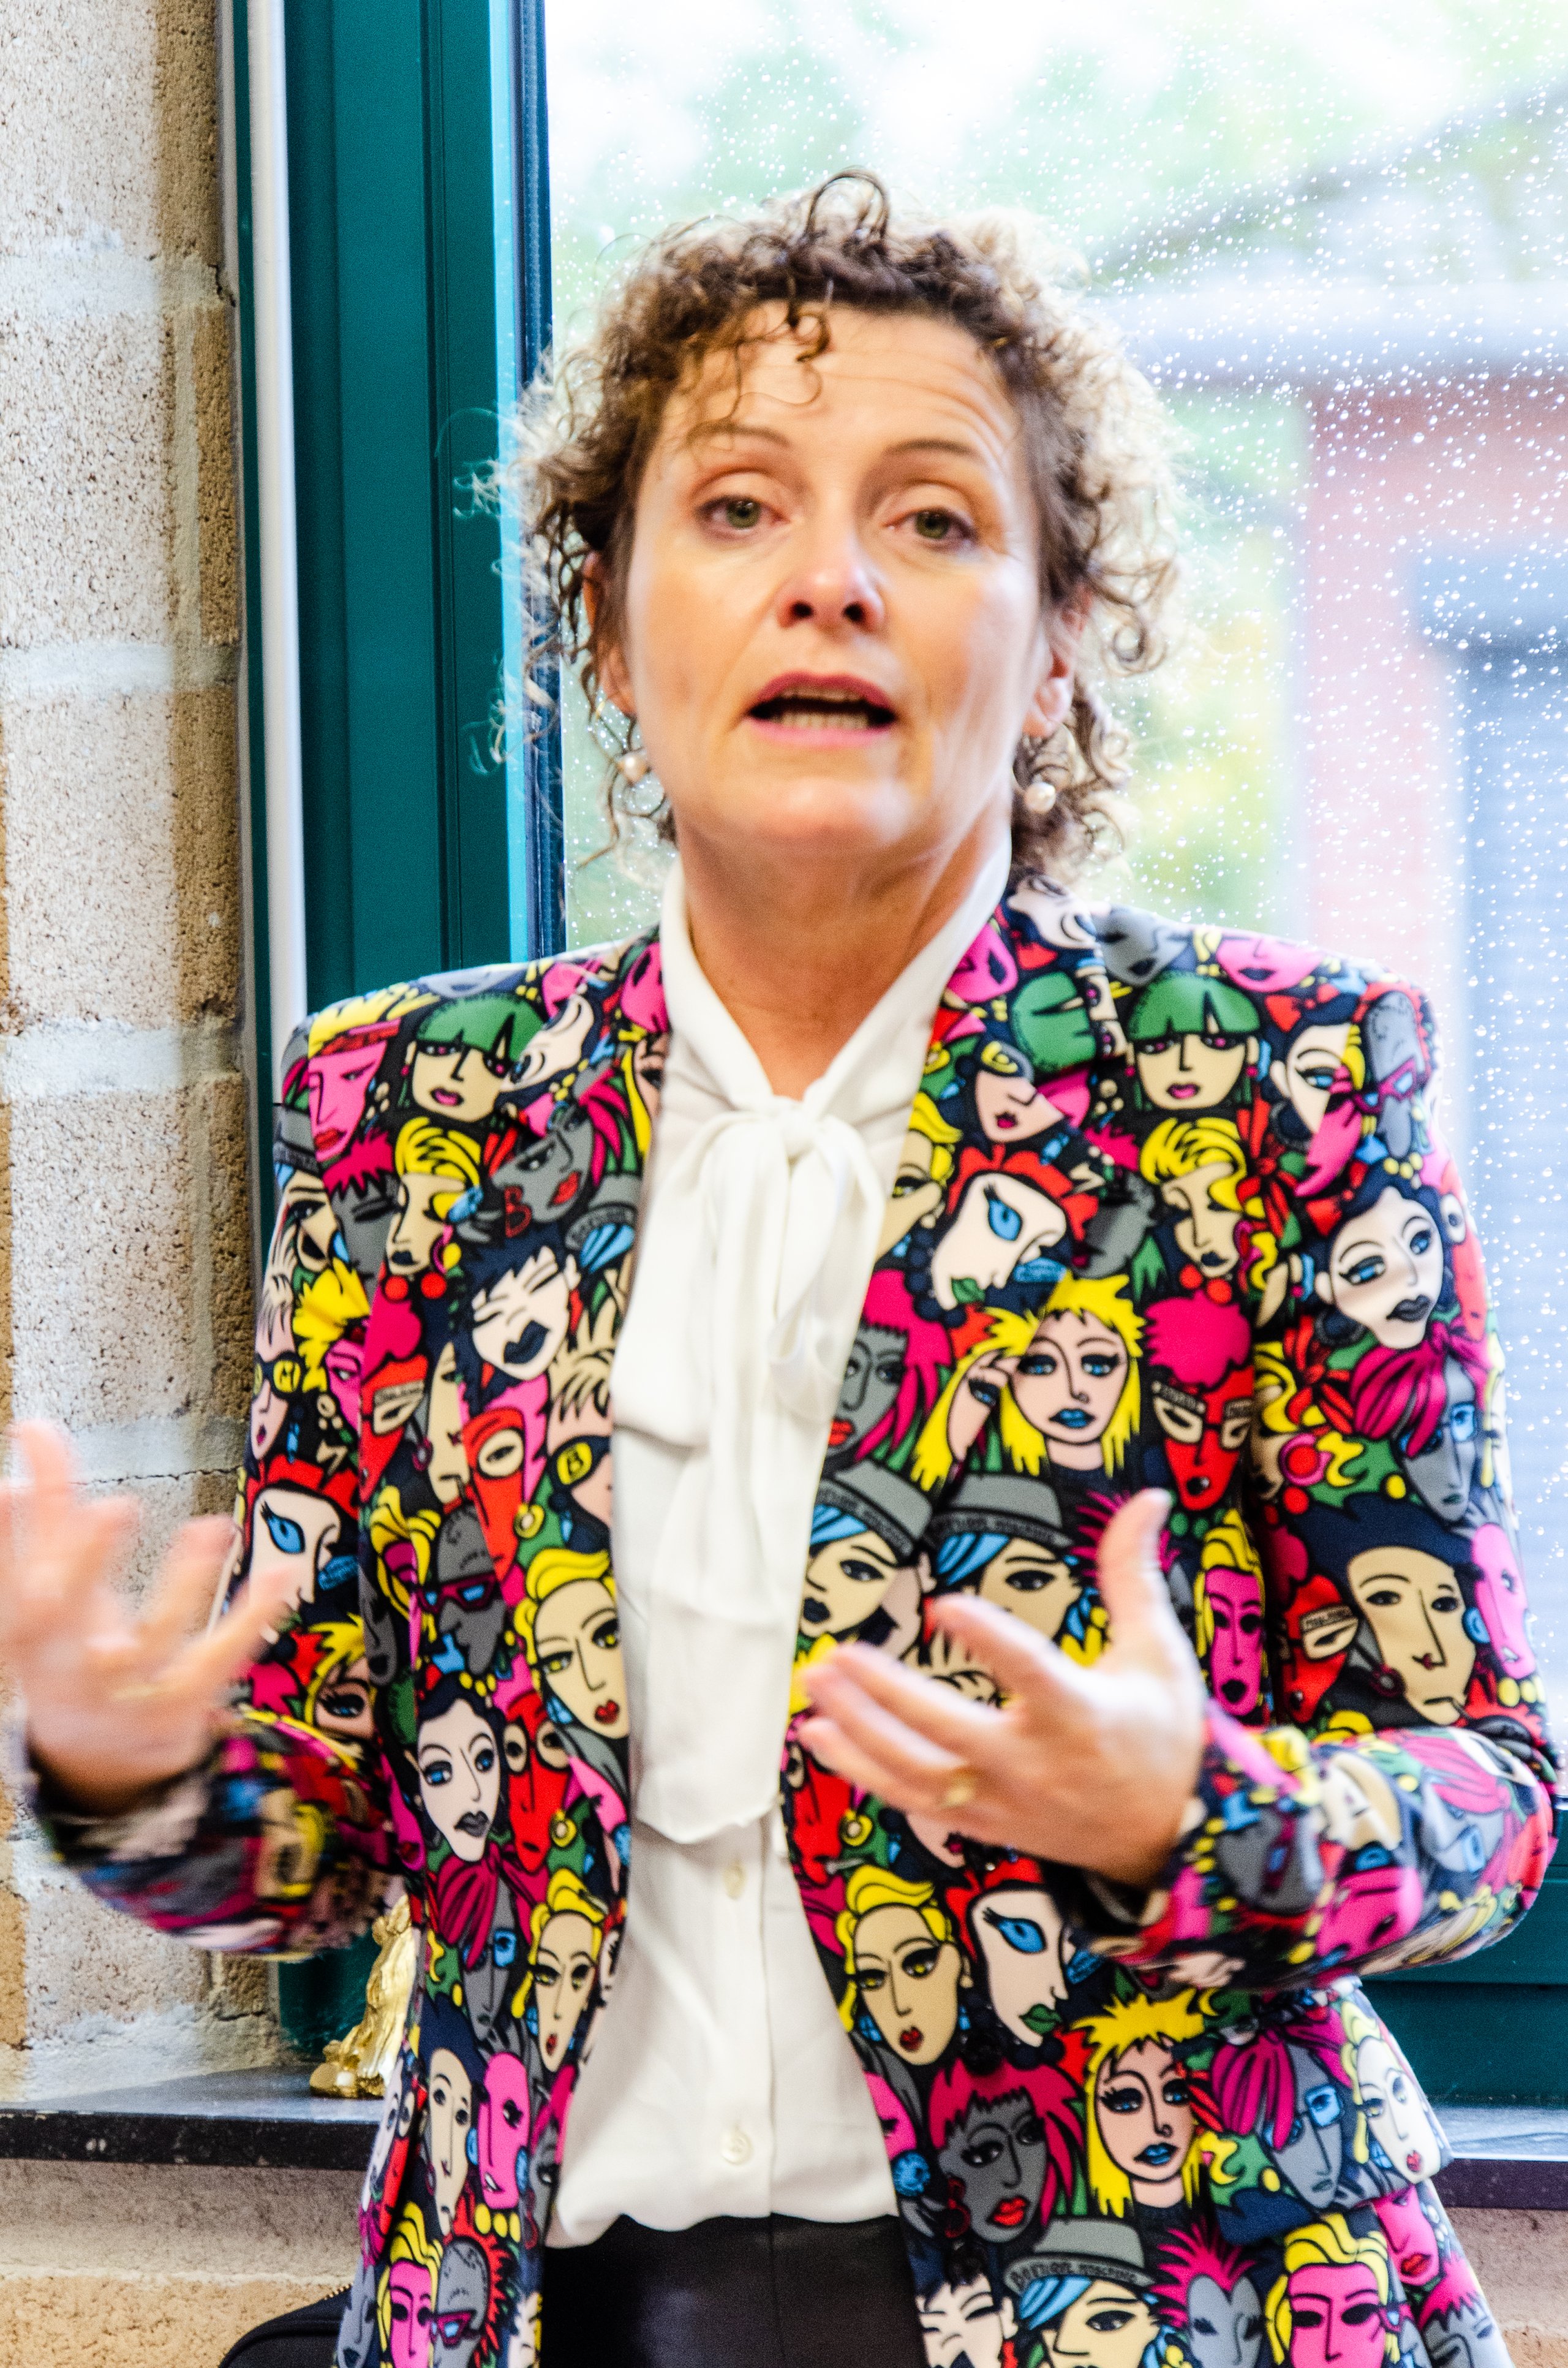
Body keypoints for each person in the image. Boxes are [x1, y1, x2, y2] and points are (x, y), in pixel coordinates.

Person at [0, 175, 1551, 2368]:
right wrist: (128, 1771)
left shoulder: (1276, 1083)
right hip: (547, 2317)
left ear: (1059, 638)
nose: (832, 576)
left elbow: (1489, 1791)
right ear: (612, 627)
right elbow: (321, 1853)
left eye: (935, 518)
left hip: (1170, 2312)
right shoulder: (411, 1114)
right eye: (736, 508)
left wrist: (1203, 1818)